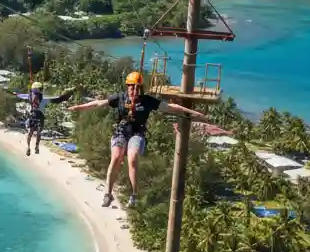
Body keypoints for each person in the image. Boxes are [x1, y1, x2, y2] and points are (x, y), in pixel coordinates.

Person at [69, 70, 209, 208]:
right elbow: (98, 103)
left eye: (137, 87)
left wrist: (195, 114)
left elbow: (172, 108)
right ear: (127, 87)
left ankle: (134, 194)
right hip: (121, 132)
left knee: (132, 158)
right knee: (116, 157)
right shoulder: (120, 98)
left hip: (137, 133)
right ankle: (108, 193)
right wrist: (78, 107)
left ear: (140, 88)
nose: (134, 90)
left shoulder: (147, 101)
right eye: (131, 87)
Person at [12, 81, 76, 156]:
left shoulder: (34, 96)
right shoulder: (38, 97)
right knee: (35, 133)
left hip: (35, 116)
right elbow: (58, 100)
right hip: (37, 117)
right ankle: (32, 147)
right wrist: (68, 94)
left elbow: (20, 95)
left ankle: (32, 147)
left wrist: (15, 94)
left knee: (33, 133)